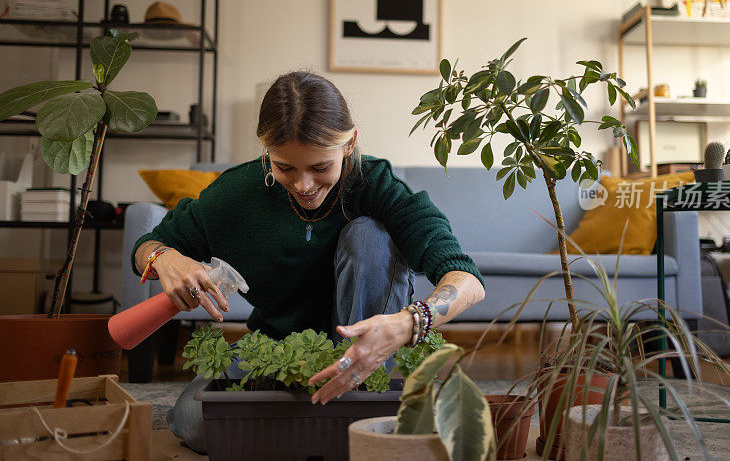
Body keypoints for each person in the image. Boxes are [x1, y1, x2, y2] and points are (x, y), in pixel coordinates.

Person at [131, 71, 485, 453]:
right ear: (266, 149)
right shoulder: (234, 196)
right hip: (278, 353)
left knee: (368, 234)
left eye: (319, 167)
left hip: (361, 355)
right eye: (285, 167)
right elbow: (146, 246)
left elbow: (467, 279)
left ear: (349, 144)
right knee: (191, 421)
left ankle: (346, 400)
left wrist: (408, 322)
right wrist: (164, 257)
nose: (303, 185)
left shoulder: (376, 184)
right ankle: (340, 425)